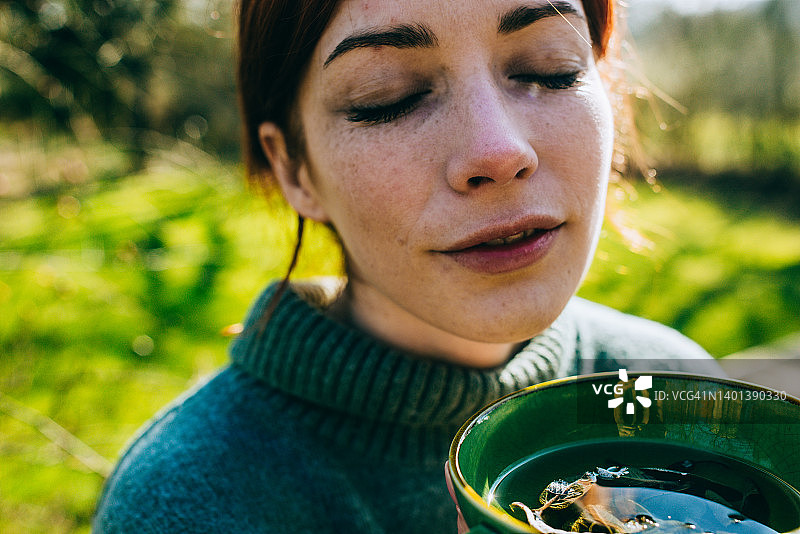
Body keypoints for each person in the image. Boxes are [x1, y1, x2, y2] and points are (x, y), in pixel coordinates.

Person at [93, 0, 719, 532]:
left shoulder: (677, 388)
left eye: (549, 69)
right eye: (389, 98)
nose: (498, 150)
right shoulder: (185, 503)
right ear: (294, 168)